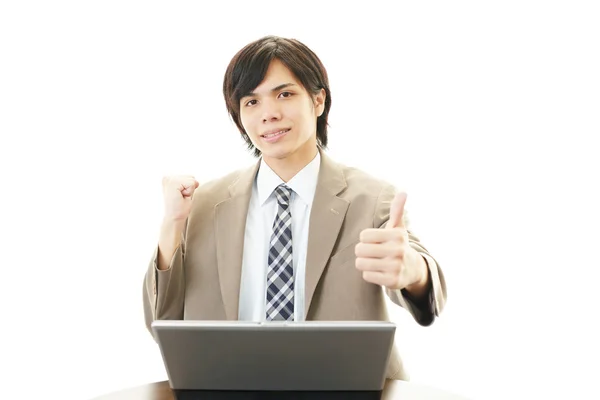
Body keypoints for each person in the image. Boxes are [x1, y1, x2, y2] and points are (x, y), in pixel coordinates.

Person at [142, 35, 447, 381]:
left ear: (318, 101)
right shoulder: (203, 204)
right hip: (228, 386)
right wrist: (172, 226)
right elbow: (161, 324)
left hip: (347, 387)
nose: (269, 114)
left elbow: (430, 293)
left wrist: (413, 272)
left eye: (284, 94)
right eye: (251, 101)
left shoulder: (373, 198)